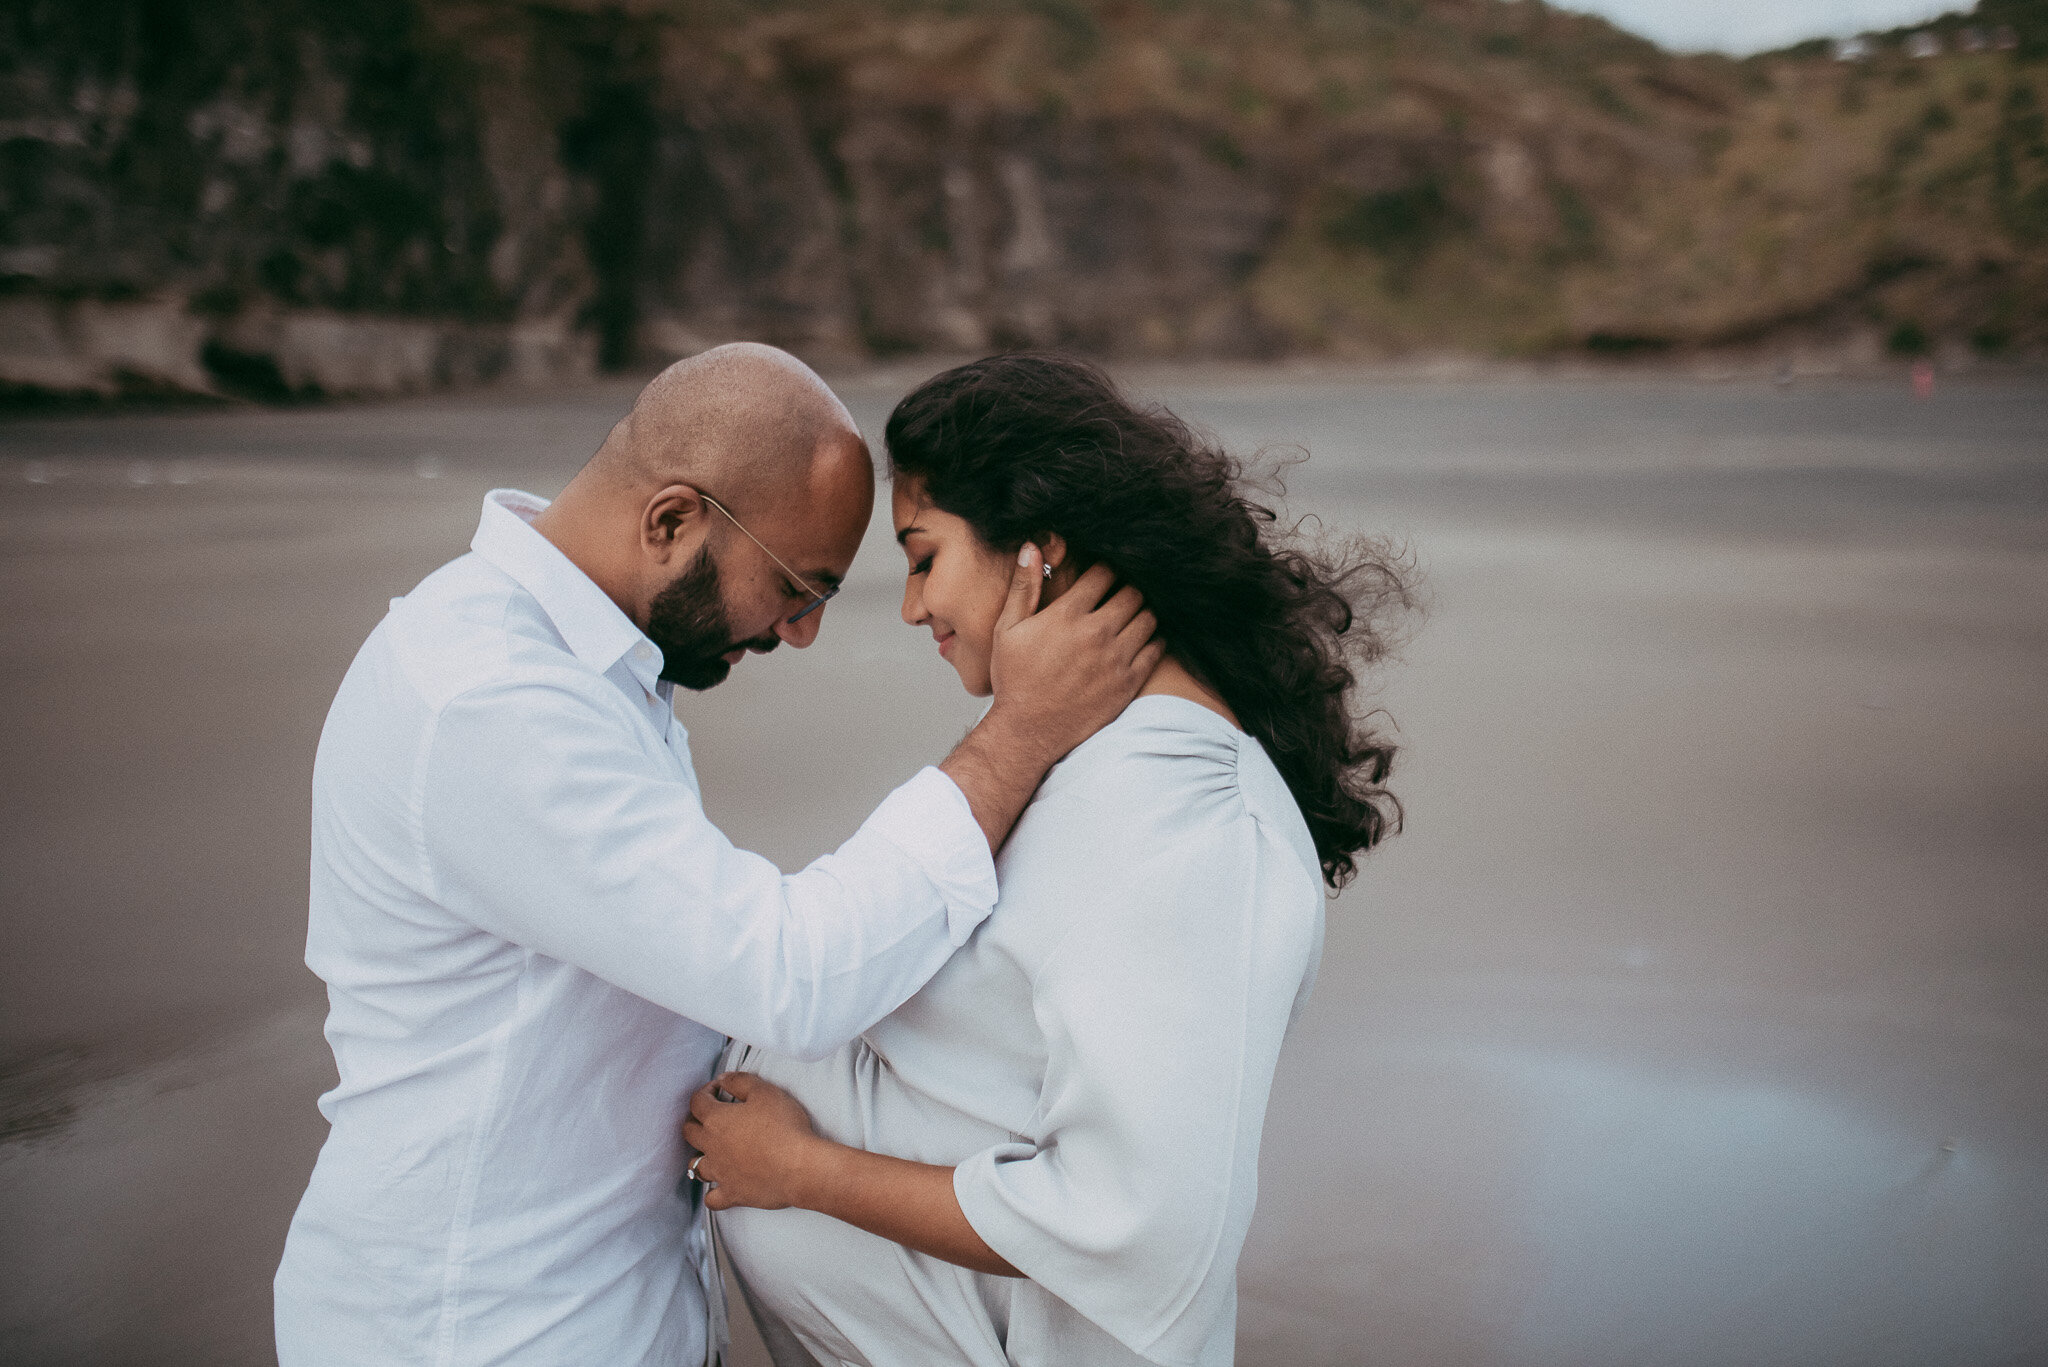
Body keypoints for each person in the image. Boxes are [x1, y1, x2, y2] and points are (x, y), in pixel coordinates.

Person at [273, 343, 1162, 1367]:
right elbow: (784, 972)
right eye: (796, 587)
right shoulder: (488, 700)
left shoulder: (590, 667)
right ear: (670, 520)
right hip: (478, 1327)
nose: (803, 632)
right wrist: (1023, 731)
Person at [684, 353, 1413, 1367]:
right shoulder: (1083, 766)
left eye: (924, 555)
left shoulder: (1191, 827)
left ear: (1037, 554)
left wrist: (805, 1171)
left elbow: (1138, 1226)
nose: (909, 607)